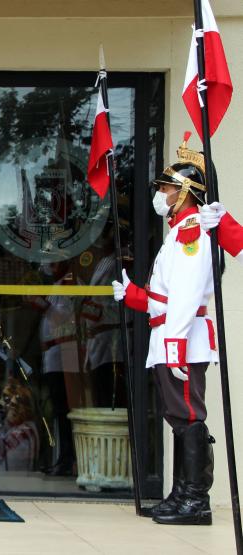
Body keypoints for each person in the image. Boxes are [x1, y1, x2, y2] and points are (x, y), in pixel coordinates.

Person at [112, 135, 218, 525]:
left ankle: (196, 500)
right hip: (171, 338)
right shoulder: (178, 232)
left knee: (188, 415)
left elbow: (186, 297)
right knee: (177, 416)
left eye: (168, 187)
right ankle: (181, 494)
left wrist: (174, 346)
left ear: (185, 192)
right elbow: (165, 298)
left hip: (182, 341)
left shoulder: (191, 233)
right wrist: (134, 295)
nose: (162, 194)